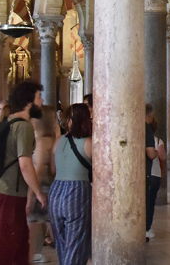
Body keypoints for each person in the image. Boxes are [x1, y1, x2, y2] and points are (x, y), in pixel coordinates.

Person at [0, 81, 48, 265]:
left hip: (0, 186)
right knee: (6, 243)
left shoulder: (8, 121)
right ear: (29, 102)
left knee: (21, 240)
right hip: (10, 191)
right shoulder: (23, 127)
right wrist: (38, 192)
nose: (42, 101)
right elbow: (25, 164)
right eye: (39, 97)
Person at [51, 104, 92, 265]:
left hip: (56, 191)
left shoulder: (58, 141)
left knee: (61, 244)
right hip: (77, 192)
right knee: (76, 243)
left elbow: (53, 169)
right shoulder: (89, 143)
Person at [29, 106, 59, 263]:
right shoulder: (54, 140)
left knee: (34, 225)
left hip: (43, 188)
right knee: (51, 224)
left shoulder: (42, 142)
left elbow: (39, 171)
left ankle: (31, 256)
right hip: (51, 187)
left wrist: (32, 194)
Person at [146, 106, 165, 240]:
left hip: (145, 175)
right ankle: (147, 227)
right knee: (150, 203)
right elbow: (161, 157)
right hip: (153, 175)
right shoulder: (157, 140)